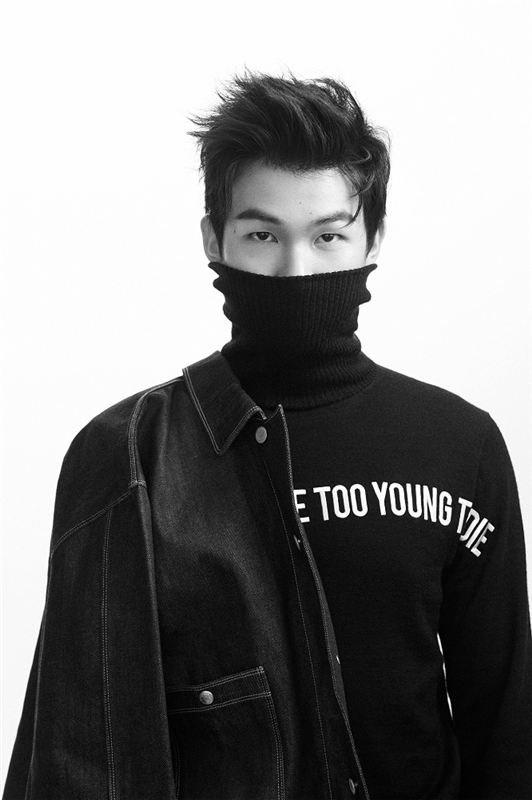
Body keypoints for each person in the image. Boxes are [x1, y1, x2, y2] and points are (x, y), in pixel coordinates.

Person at [3, 69, 532, 800]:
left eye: (328, 236)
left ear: (373, 240)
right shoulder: (129, 455)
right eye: (262, 235)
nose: (295, 269)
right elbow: (80, 750)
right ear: (213, 240)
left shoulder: (460, 444)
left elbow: (505, 728)